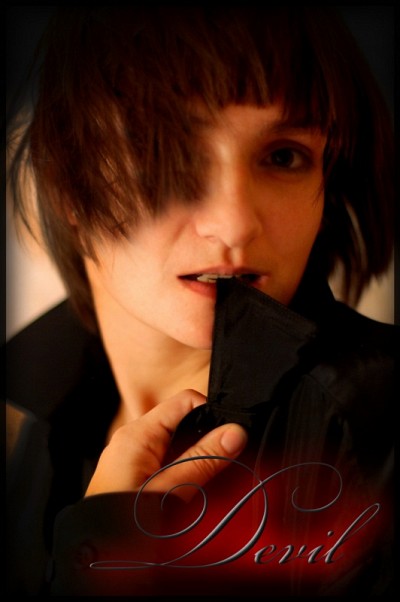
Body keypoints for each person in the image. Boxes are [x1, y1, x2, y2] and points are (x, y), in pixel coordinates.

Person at [5, 6, 396, 597]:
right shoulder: (38, 414)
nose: (235, 224)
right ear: (67, 181)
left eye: (284, 156)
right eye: (168, 151)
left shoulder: (374, 427)